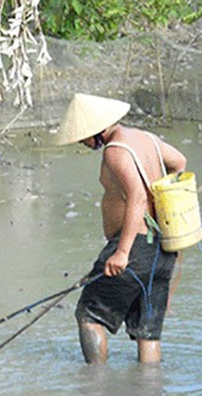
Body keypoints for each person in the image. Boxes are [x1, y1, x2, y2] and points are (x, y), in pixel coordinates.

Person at [55, 93, 187, 364]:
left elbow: (137, 197)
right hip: (162, 249)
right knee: (147, 332)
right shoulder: (146, 138)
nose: (83, 143)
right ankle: (149, 395)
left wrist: (122, 252)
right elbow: (179, 162)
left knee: (90, 315)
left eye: (84, 137)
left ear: (97, 130)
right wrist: (159, 198)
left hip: (134, 249)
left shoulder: (116, 150)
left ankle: (95, 386)